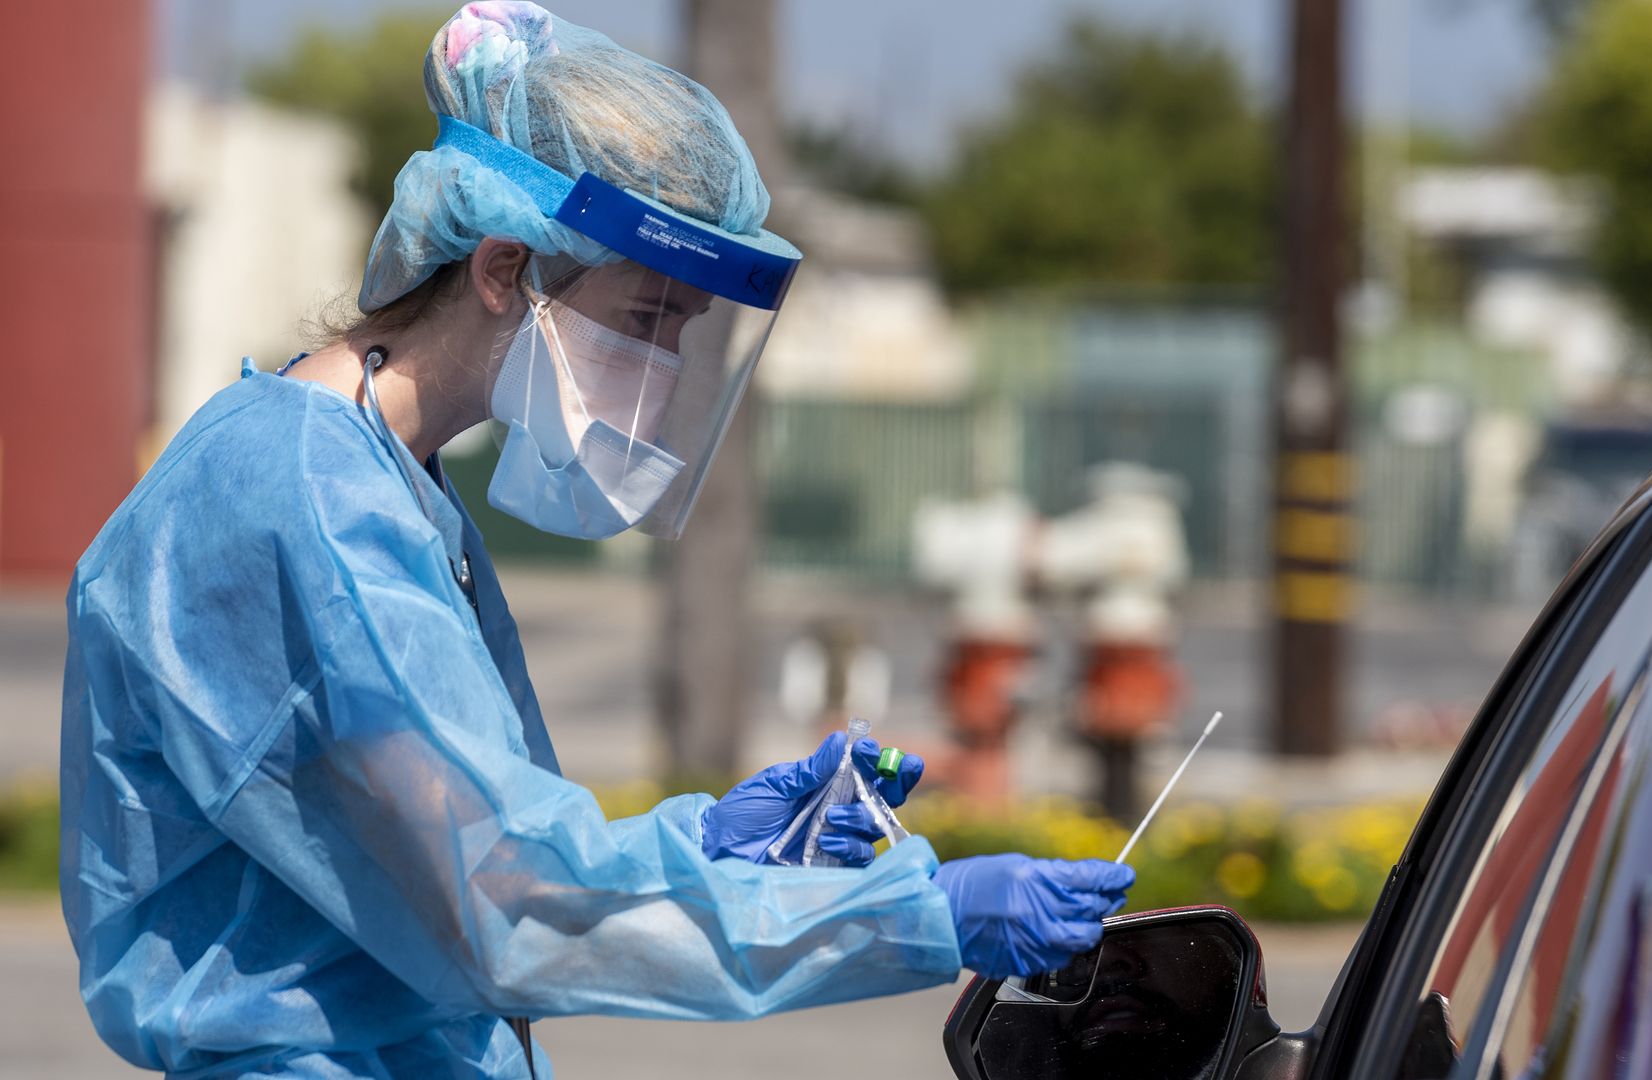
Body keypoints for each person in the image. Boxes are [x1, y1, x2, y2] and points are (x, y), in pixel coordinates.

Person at [58, 5, 1134, 1078]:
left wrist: (705, 842)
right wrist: (914, 912)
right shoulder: (305, 502)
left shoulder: (382, 484)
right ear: (500, 268)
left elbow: (460, 838)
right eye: (648, 317)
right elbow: (509, 908)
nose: (663, 365)